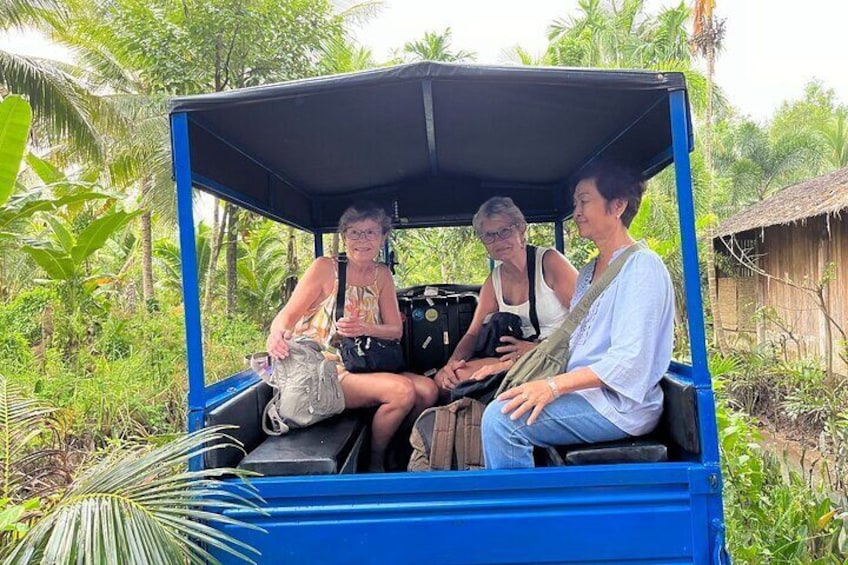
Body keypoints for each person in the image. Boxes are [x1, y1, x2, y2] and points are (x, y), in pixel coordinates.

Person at [481, 161, 675, 469]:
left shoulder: (641, 268)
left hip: (619, 406)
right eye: (575, 203)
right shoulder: (588, 273)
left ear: (618, 205)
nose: (577, 211)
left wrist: (553, 387)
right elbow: (576, 344)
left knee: (502, 421)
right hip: (586, 394)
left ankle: (520, 516)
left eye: (584, 201)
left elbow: (628, 362)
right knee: (502, 398)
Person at [266, 203, 438, 472]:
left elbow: (395, 330)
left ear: (382, 238)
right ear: (344, 236)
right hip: (326, 370)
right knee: (402, 391)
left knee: (428, 391)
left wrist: (365, 328)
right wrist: (275, 336)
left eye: (371, 233)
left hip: (365, 364)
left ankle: (401, 446)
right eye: (355, 233)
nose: (363, 240)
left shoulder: (382, 275)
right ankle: (376, 459)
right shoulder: (325, 268)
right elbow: (285, 317)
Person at [433, 196, 578, 397]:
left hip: (559, 355)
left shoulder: (550, 262)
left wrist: (538, 349)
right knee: (444, 379)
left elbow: (588, 321)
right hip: (515, 358)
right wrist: (452, 364)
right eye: (489, 236)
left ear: (521, 229)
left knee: (468, 379)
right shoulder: (494, 282)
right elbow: (473, 334)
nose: (498, 241)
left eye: (504, 231)